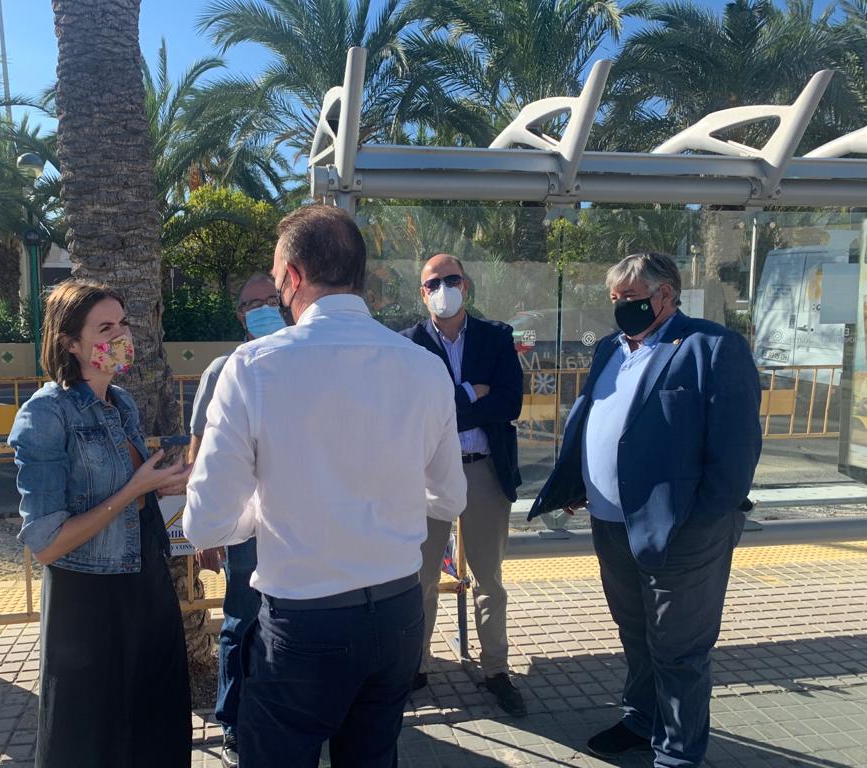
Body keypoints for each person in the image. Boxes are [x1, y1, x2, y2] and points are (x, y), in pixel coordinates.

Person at [183, 205, 467, 767]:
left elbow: (207, 522)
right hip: (397, 615)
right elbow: (450, 498)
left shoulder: (252, 367)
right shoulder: (425, 367)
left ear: (291, 277)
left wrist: (263, 511)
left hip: (303, 624)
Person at [529, 252, 762, 767]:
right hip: (612, 525)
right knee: (635, 636)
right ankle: (640, 719)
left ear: (665, 294)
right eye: (614, 299)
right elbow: (593, 418)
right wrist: (578, 480)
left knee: (679, 649)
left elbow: (737, 451)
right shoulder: (612, 349)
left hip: (682, 533)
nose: (620, 308)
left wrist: (702, 523)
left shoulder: (711, 346)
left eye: (630, 298)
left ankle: (677, 754)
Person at [8, 280, 192, 767]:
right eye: (105, 327)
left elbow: (129, 496)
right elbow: (46, 543)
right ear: (70, 342)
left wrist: (160, 486)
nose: (121, 336)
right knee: (91, 737)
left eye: (124, 323)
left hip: (146, 583)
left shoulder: (123, 403)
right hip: (87, 601)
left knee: (154, 726)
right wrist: (133, 489)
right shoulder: (44, 415)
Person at [401, 254, 526, 718]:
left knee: (490, 579)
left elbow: (511, 403)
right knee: (422, 578)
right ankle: (416, 666)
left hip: (483, 471)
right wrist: (476, 392)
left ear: (466, 285)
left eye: (451, 279)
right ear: (423, 292)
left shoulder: (496, 337)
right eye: (433, 282)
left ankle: (496, 669)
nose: (443, 288)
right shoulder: (408, 344)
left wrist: (452, 406)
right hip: (429, 473)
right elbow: (413, 411)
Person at [191, 273, 286, 768]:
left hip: (291, 522)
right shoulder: (222, 369)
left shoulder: (299, 360)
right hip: (243, 526)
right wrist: (204, 531)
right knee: (241, 620)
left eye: (272, 300)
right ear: (240, 314)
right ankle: (231, 720)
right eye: (254, 303)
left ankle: (273, 715)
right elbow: (200, 449)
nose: (265, 308)